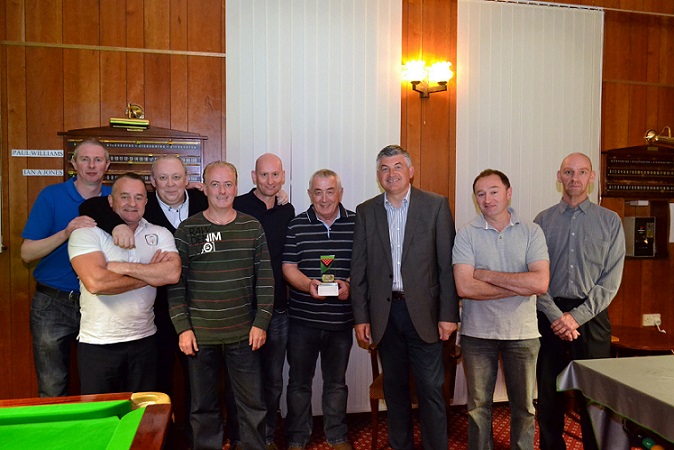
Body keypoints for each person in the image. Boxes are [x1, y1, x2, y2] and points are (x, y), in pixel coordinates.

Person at [350, 145, 459, 450]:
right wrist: (361, 317)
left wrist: (449, 315)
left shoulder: (436, 206)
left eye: (398, 166)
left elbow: (446, 267)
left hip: (425, 315)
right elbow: (358, 270)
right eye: (384, 168)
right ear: (378, 175)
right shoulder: (366, 211)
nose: (391, 173)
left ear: (410, 171)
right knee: (395, 392)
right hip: (385, 316)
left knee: (430, 390)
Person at [80, 155, 208, 399]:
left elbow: (232, 200)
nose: (170, 184)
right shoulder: (141, 207)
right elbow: (90, 206)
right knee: (158, 385)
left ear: (187, 179)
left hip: (198, 309)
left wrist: (276, 197)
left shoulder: (202, 200)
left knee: (199, 382)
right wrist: (116, 224)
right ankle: (162, 436)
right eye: (163, 178)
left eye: (176, 177)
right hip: (156, 311)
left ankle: (195, 437)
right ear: (153, 182)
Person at [169, 161, 273, 450]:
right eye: (215, 184)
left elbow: (265, 279)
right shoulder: (188, 230)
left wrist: (261, 322)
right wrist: (183, 329)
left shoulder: (252, 226)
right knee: (203, 409)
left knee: (253, 405)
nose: (222, 190)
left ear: (237, 187)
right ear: (204, 188)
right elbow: (176, 285)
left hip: (245, 335)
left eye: (228, 184)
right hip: (200, 337)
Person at [452, 169, 549, 450]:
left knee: (524, 407)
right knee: (478, 407)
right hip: (477, 334)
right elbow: (464, 288)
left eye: (494, 191)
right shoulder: (466, 235)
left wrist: (485, 274)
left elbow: (540, 282)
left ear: (508, 193)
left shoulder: (532, 231)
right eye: (480, 194)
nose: (487, 199)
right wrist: (519, 286)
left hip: (523, 333)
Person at [534, 153, 625, 450]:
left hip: (593, 316)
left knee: (594, 395)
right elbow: (534, 276)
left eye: (582, 172)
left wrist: (576, 317)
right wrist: (557, 315)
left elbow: (610, 281)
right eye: (569, 172)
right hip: (549, 316)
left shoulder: (610, 222)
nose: (575, 178)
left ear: (592, 176)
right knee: (549, 393)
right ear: (559, 176)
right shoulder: (542, 222)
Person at [68, 172, 181, 394]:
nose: (132, 203)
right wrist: (150, 275)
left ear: (146, 202)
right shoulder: (87, 232)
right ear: (111, 200)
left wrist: (120, 267)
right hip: (98, 344)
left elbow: (172, 274)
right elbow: (96, 283)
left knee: (142, 419)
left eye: (139, 197)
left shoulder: (160, 233)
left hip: (145, 341)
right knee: (100, 419)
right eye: (125, 197)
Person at [20, 139, 111, 397]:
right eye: (84, 159)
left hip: (99, 303)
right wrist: (67, 232)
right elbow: (26, 254)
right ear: (73, 164)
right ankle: (54, 438)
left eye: (98, 160)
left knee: (99, 383)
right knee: (52, 385)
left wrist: (193, 190)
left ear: (107, 164)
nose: (92, 166)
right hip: (53, 303)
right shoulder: (51, 196)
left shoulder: (115, 197)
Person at [282, 169, 355, 450]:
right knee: (299, 383)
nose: (324, 198)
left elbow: (363, 267)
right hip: (303, 321)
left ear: (340, 193)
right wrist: (307, 286)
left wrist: (348, 283)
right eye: (318, 192)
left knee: (336, 383)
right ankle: (298, 437)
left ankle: (336, 436)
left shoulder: (356, 223)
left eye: (330, 191)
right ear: (310, 194)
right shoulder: (297, 225)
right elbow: (288, 267)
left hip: (340, 322)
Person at [231, 153, 295, 450]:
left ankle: (267, 437)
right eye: (264, 175)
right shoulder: (237, 205)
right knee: (243, 382)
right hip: (244, 310)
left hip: (278, 310)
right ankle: (243, 438)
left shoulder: (287, 209)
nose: (270, 181)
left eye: (275, 175)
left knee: (272, 380)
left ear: (283, 177)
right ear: (253, 176)